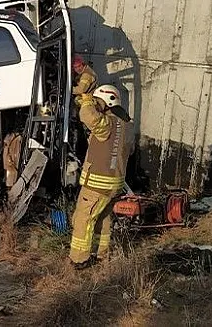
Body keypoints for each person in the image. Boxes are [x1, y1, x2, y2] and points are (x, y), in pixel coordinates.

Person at [69, 65, 135, 270]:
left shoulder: (106, 124)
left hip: (97, 184)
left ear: (107, 103)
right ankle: (101, 255)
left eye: (99, 102)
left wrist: (87, 100)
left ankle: (79, 259)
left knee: (83, 218)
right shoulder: (124, 125)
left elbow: (89, 117)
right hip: (114, 184)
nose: (96, 105)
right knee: (103, 219)